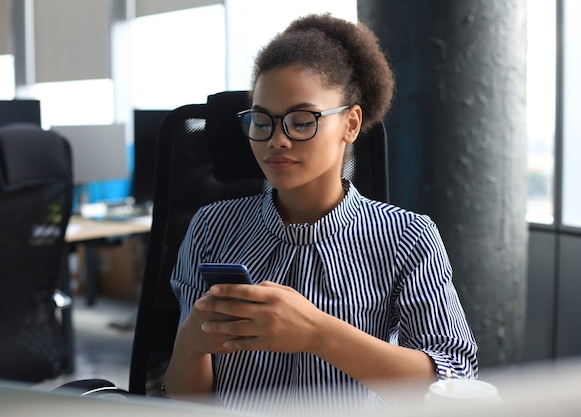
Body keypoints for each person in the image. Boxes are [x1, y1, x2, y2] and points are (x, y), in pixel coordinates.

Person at [164, 12, 478, 413]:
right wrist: (190, 345)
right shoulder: (211, 228)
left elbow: (455, 379)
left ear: (350, 123)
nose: (275, 140)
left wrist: (318, 334)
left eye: (300, 121)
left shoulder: (408, 237)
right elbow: (185, 401)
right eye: (261, 121)